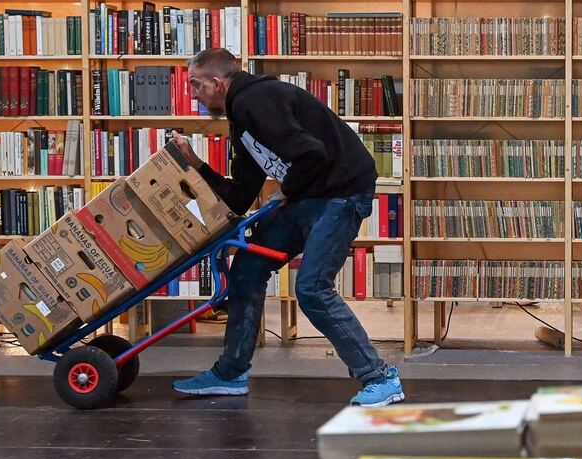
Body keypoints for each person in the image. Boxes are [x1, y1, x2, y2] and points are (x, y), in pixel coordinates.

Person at [168, 47, 405, 407]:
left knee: (312, 288)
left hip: (340, 192)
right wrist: (196, 165)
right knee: (247, 268)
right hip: (309, 195)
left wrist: (284, 191)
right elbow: (240, 194)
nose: (193, 95)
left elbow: (312, 154)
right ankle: (231, 373)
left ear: (218, 83)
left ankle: (380, 377)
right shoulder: (241, 117)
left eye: (196, 86)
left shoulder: (257, 99)